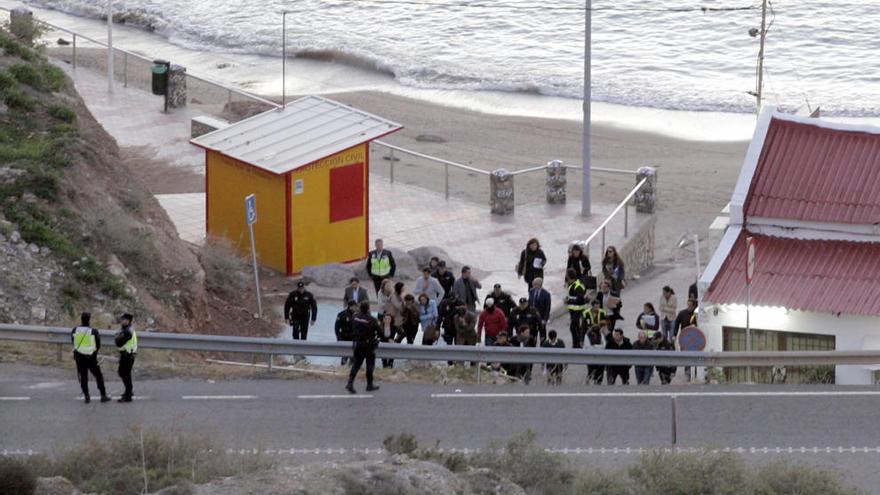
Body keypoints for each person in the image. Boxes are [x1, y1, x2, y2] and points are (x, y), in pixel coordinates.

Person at [71, 312, 109, 404]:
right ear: (89, 319)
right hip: (91, 357)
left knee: (83, 377)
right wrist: (94, 353)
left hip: (79, 358)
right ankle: (103, 395)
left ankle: (87, 396)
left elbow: (73, 342)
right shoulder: (93, 331)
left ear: (81, 319)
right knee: (98, 376)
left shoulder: (75, 330)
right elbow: (98, 344)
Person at [346, 301, 381, 394]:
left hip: (358, 343)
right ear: (368, 309)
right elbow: (380, 331)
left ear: (360, 308)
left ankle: (350, 382)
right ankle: (369, 384)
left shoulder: (355, 317)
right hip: (368, 345)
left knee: (356, 364)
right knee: (370, 365)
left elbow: (350, 326)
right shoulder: (372, 320)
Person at [114, 313, 137, 403]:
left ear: (128, 321)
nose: (121, 321)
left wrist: (118, 337)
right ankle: (129, 392)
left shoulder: (127, 331)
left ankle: (128, 396)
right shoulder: (128, 329)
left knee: (125, 374)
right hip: (127, 354)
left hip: (128, 355)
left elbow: (118, 342)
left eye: (123, 319)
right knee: (124, 374)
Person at [564, 269, 587, 349]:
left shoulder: (578, 285)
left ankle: (577, 345)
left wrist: (568, 300)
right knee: (575, 327)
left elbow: (579, 298)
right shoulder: (573, 284)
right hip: (573, 310)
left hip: (578, 309)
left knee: (574, 328)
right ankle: (576, 344)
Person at [335, 301, 358, 365]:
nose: (356, 308)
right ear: (351, 307)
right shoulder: (342, 314)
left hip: (354, 339)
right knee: (344, 357)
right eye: (355, 306)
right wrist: (339, 339)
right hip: (344, 339)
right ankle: (343, 368)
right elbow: (336, 328)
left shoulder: (357, 315)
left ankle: (350, 368)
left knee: (353, 358)